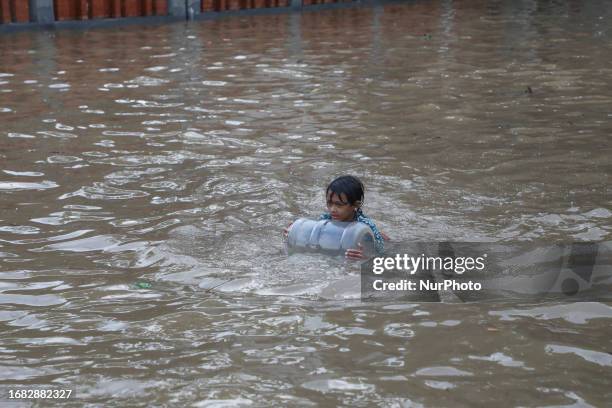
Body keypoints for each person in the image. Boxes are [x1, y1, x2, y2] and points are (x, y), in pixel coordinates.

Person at [284, 175, 389, 260]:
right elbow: (313, 237)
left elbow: (382, 254)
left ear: (355, 205)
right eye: (329, 203)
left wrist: (366, 257)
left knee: (382, 238)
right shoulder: (325, 219)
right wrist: (293, 233)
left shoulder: (366, 226)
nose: (332, 209)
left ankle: (383, 235)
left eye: (339, 205)